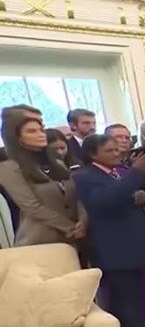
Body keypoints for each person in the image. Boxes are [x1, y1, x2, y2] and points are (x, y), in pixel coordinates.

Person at [73, 134, 145, 327]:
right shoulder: (85, 176)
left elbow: (127, 194)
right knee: (125, 301)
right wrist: (136, 173)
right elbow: (104, 201)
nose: (117, 154)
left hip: (134, 243)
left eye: (117, 149)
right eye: (110, 151)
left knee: (137, 298)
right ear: (93, 154)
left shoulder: (119, 171)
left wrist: (142, 194)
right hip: (115, 249)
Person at [0, 105, 84, 247]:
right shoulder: (9, 167)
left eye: (41, 130)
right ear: (17, 137)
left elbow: (76, 195)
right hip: (40, 240)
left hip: (75, 238)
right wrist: (69, 227)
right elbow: (31, 206)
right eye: (32, 131)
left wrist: (82, 221)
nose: (40, 134)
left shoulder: (57, 162)